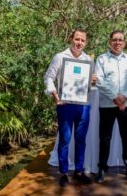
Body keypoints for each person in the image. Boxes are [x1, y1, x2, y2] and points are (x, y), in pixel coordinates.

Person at [44, 29, 96, 187]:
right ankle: (64, 173)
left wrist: (93, 81)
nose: (79, 43)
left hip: (83, 106)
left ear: (86, 42)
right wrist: (53, 93)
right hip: (65, 105)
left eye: (82, 40)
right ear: (71, 39)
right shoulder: (60, 57)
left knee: (81, 140)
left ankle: (79, 171)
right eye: (77, 39)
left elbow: (89, 85)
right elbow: (49, 77)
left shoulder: (89, 60)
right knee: (65, 140)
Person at [94, 30, 127, 183]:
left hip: (126, 105)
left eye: (120, 40)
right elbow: (99, 81)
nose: (117, 42)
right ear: (109, 41)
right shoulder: (101, 59)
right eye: (115, 40)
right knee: (105, 138)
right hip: (107, 105)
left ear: (124, 42)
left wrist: (124, 97)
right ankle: (102, 168)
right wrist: (115, 98)